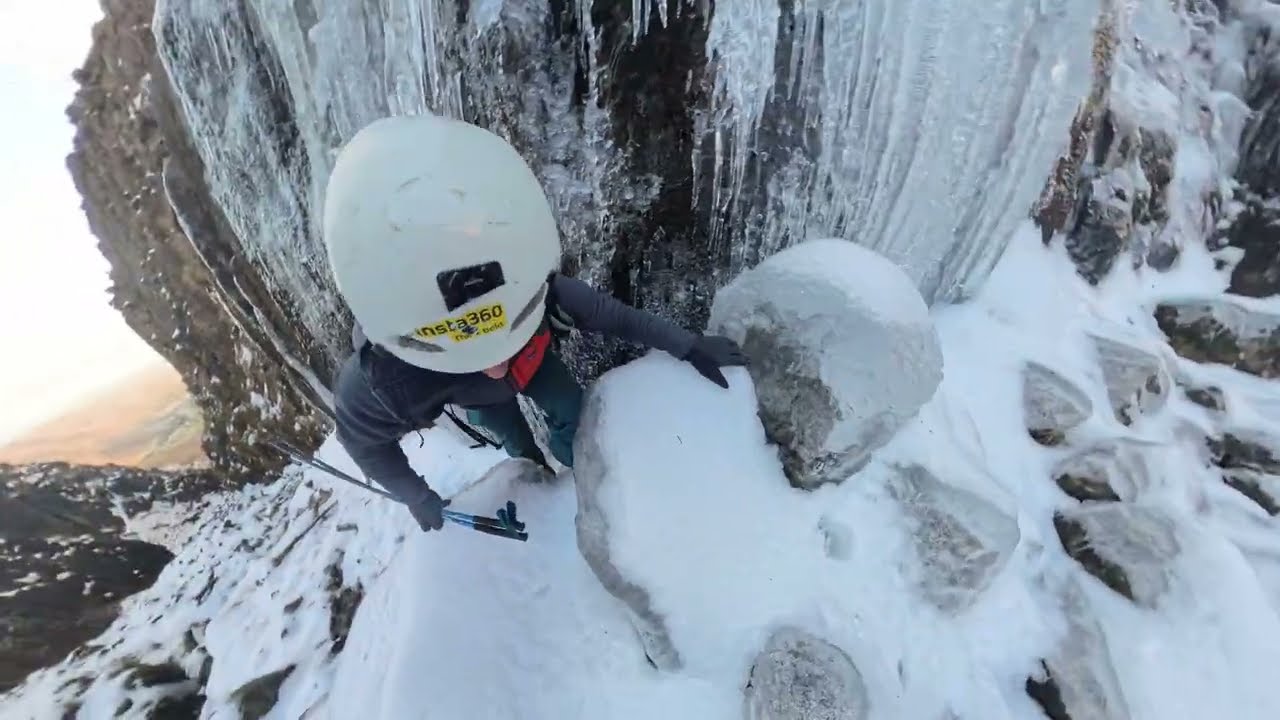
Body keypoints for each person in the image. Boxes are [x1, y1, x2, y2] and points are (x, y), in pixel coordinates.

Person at [324, 114, 746, 534]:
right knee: (520, 451)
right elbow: (361, 440)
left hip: (528, 362)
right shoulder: (392, 373)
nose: (495, 363)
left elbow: (616, 317)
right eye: (477, 354)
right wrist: (416, 495)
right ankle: (539, 485)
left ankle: (573, 475)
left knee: (572, 415)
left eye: (502, 342)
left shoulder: (529, 284)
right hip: (484, 395)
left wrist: (688, 345)